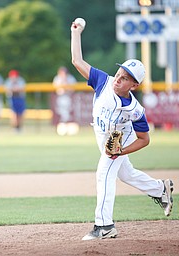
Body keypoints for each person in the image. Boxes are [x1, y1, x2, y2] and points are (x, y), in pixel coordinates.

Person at [70, 19, 174, 240]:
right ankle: (160, 189)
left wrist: (121, 151)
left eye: (125, 77)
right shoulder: (102, 81)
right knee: (126, 174)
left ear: (134, 85)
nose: (119, 78)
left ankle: (104, 225)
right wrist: (76, 33)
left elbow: (145, 139)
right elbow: (77, 60)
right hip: (102, 134)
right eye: (120, 72)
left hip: (119, 139)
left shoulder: (135, 110)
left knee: (104, 173)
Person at [52, 66, 78, 135]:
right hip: (60, 97)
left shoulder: (71, 78)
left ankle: (69, 127)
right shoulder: (57, 78)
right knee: (62, 112)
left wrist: (66, 82)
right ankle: (62, 126)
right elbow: (55, 89)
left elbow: (74, 88)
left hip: (69, 97)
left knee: (69, 112)